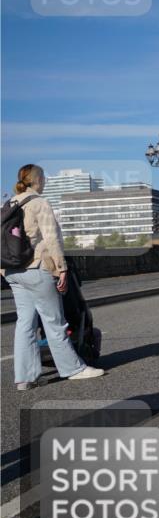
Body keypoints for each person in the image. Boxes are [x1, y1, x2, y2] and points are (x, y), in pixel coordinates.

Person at [1, 165, 105, 390]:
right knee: (54, 322)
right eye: (44, 177)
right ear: (37, 179)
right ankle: (73, 369)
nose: (45, 181)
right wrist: (61, 268)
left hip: (12, 272)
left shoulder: (8, 204)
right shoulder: (39, 202)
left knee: (25, 324)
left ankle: (24, 378)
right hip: (37, 268)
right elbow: (52, 239)